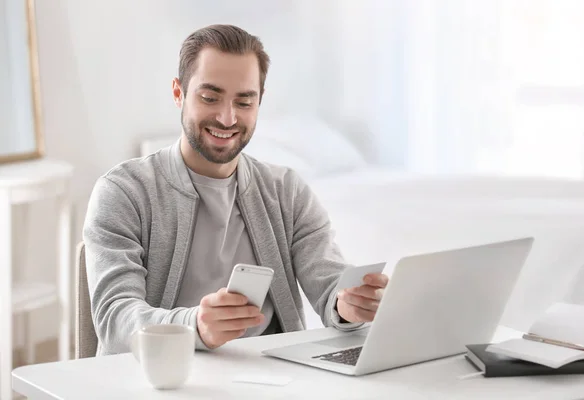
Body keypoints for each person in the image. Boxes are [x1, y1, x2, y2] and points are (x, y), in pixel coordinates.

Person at [83, 24, 389, 355]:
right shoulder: (123, 193)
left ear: (259, 102)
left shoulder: (287, 191)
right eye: (210, 98)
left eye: (244, 102)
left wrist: (349, 305)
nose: (227, 118)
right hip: (165, 379)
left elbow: (330, 283)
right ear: (178, 93)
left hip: (273, 381)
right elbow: (116, 321)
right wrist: (195, 326)